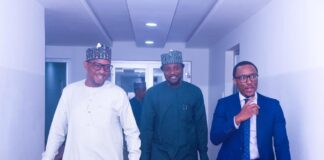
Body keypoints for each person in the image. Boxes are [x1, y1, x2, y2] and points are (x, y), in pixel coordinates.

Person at [42, 43, 141, 160]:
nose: (102, 71)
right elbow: (57, 130)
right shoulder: (70, 92)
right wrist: (47, 157)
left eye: (106, 67)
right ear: (86, 65)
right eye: (97, 65)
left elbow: (131, 132)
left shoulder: (118, 94)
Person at [210, 61, 290, 160]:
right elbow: (215, 138)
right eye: (243, 78)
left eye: (253, 76)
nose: (249, 82)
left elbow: (281, 144)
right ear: (235, 81)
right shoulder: (224, 104)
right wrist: (237, 118)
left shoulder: (272, 106)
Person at [140, 50, 209, 160]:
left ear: (182, 68)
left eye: (176, 68)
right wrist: (145, 155)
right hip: (159, 154)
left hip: (188, 154)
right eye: (167, 69)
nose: (172, 72)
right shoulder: (152, 94)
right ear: (162, 70)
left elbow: (200, 127)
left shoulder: (194, 92)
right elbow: (146, 129)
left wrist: (203, 153)